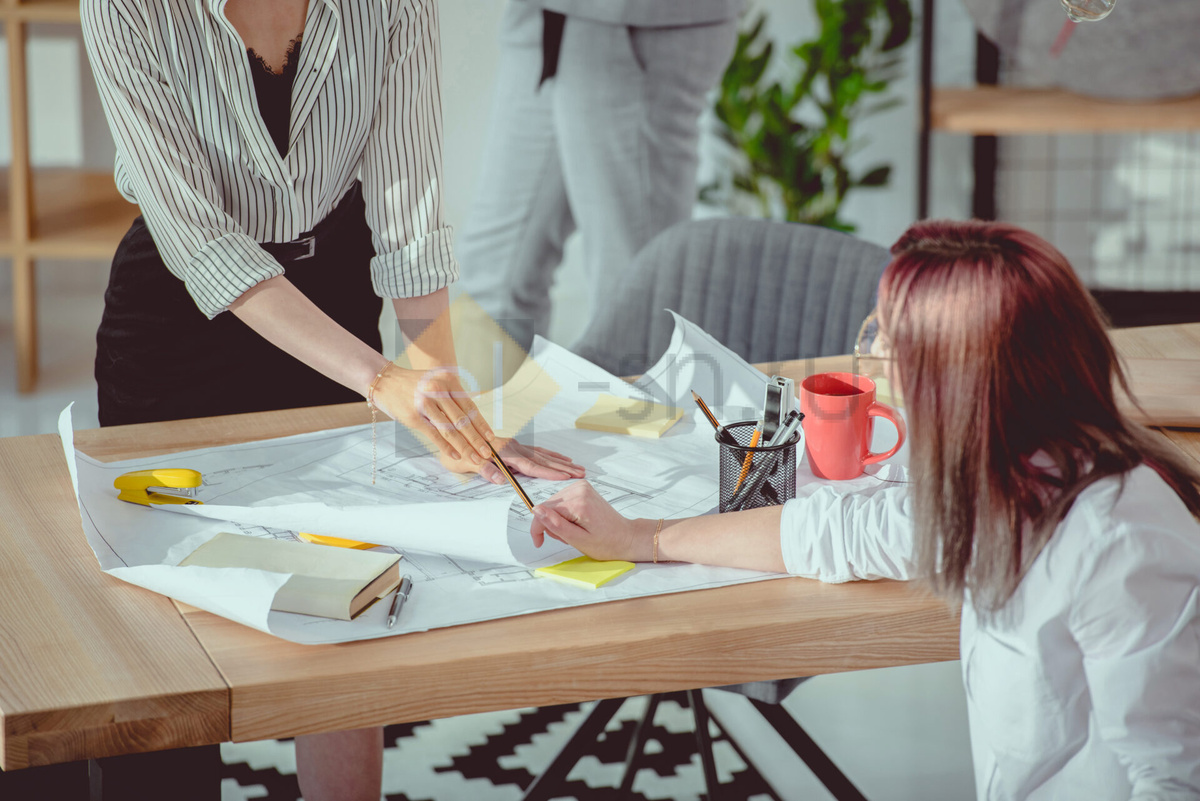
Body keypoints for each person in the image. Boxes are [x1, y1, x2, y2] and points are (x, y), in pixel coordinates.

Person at [81, 1, 583, 798]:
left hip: (335, 306)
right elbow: (202, 242)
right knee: (171, 630)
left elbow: (408, 216)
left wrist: (443, 402)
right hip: (175, 322)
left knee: (348, 598)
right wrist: (385, 381)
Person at [529, 220, 1200, 799]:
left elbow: (1174, 780)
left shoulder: (1122, 543)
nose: (876, 350)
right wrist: (642, 535)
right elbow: (831, 531)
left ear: (959, 374)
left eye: (892, 335)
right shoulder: (998, 480)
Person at [455, 0, 744, 352]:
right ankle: (491, 407)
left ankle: (639, 407)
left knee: (630, 301)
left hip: (640, 20)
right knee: (495, 274)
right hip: (545, 15)